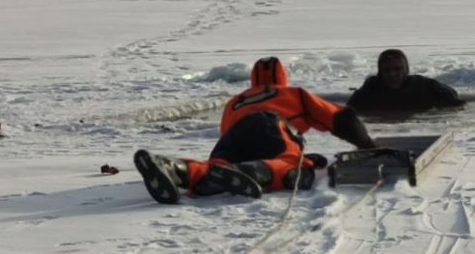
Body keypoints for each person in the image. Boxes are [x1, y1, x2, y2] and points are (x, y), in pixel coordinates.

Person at [134, 56, 376, 204]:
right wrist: (368, 145)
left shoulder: (235, 101)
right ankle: (253, 172)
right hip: (272, 125)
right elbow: (341, 118)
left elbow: (228, 135)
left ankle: (177, 168)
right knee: (294, 166)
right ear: (283, 77)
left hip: (235, 132)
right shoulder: (294, 94)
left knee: (216, 164)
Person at [347, 49, 465, 116]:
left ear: (406, 69)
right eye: (387, 70)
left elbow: (453, 97)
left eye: (397, 69)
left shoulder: (423, 85)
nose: (392, 74)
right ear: (380, 71)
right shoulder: (371, 88)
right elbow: (350, 110)